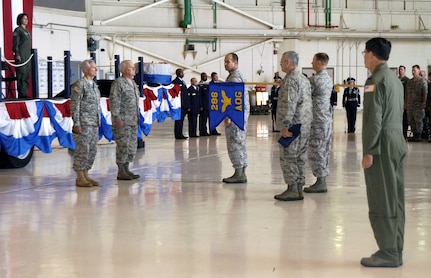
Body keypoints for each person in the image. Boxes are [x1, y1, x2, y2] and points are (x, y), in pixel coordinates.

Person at [360, 37, 406, 268]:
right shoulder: (395, 80)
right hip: (397, 140)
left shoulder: (375, 81)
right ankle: (396, 247)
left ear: (371, 54)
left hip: (382, 145)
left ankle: (388, 252)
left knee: (382, 197)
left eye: (364, 53)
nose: (364, 57)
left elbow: (373, 121)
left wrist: (369, 151)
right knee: (395, 197)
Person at [274, 51, 312, 201]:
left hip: (293, 125)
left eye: (282, 61)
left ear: (288, 62)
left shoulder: (291, 80)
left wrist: (285, 125)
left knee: (288, 156)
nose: (281, 64)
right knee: (300, 157)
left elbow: (289, 104)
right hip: (304, 124)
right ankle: (299, 187)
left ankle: (292, 188)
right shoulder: (303, 79)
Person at [303, 52, 333, 193]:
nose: (311, 63)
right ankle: (322, 179)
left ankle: (321, 182)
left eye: (313, 61)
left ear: (320, 63)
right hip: (326, 119)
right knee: (324, 150)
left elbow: (304, 93)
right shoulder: (328, 78)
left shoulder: (315, 80)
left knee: (317, 150)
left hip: (318, 120)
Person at [70, 59, 101, 187]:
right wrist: (76, 123)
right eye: (93, 68)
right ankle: (80, 177)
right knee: (83, 149)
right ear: (86, 69)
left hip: (93, 122)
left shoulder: (94, 85)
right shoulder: (80, 84)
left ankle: (86, 174)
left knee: (92, 150)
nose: (96, 69)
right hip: (84, 123)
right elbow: (75, 105)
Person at [110, 60, 141, 180]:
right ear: (123, 70)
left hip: (133, 120)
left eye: (134, 67)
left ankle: (127, 168)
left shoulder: (133, 83)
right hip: (123, 121)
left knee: (131, 146)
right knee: (123, 145)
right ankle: (121, 170)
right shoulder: (119, 83)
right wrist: (117, 118)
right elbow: (114, 101)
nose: (134, 70)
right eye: (131, 68)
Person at [222, 53, 249, 183]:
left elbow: (233, 99)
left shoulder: (234, 78)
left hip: (236, 116)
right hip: (240, 116)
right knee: (240, 142)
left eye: (228, 61)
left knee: (235, 142)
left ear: (235, 63)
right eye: (225, 62)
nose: (225, 64)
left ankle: (239, 172)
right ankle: (241, 171)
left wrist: (229, 116)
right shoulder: (235, 76)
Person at [405, 65, 428, 142]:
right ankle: (414, 135)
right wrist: (405, 102)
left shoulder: (422, 81)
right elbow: (407, 93)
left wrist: (423, 102)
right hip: (410, 104)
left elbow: (425, 93)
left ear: (418, 70)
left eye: (414, 70)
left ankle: (418, 135)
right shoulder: (410, 81)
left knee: (418, 120)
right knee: (411, 120)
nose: (413, 72)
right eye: (412, 70)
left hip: (418, 105)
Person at [12, 13, 32, 99]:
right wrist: (17, 53)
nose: (26, 20)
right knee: (21, 73)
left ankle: (25, 92)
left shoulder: (27, 32)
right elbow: (15, 43)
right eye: (24, 18)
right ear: (20, 20)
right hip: (21, 54)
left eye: (27, 18)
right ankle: (21, 93)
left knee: (27, 74)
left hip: (28, 55)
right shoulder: (18, 30)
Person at [172, 68, 190, 139]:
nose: (183, 74)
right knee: (179, 120)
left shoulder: (182, 81)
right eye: (182, 72)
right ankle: (178, 134)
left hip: (183, 104)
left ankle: (180, 133)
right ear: (179, 73)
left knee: (181, 120)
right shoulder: (176, 82)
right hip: (179, 104)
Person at [398, 65, 410, 138]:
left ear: (404, 71)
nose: (400, 71)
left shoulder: (407, 80)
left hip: (404, 101)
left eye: (402, 69)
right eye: (399, 69)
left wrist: (405, 102)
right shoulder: (396, 79)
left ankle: (404, 134)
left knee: (404, 119)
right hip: (397, 102)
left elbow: (407, 92)